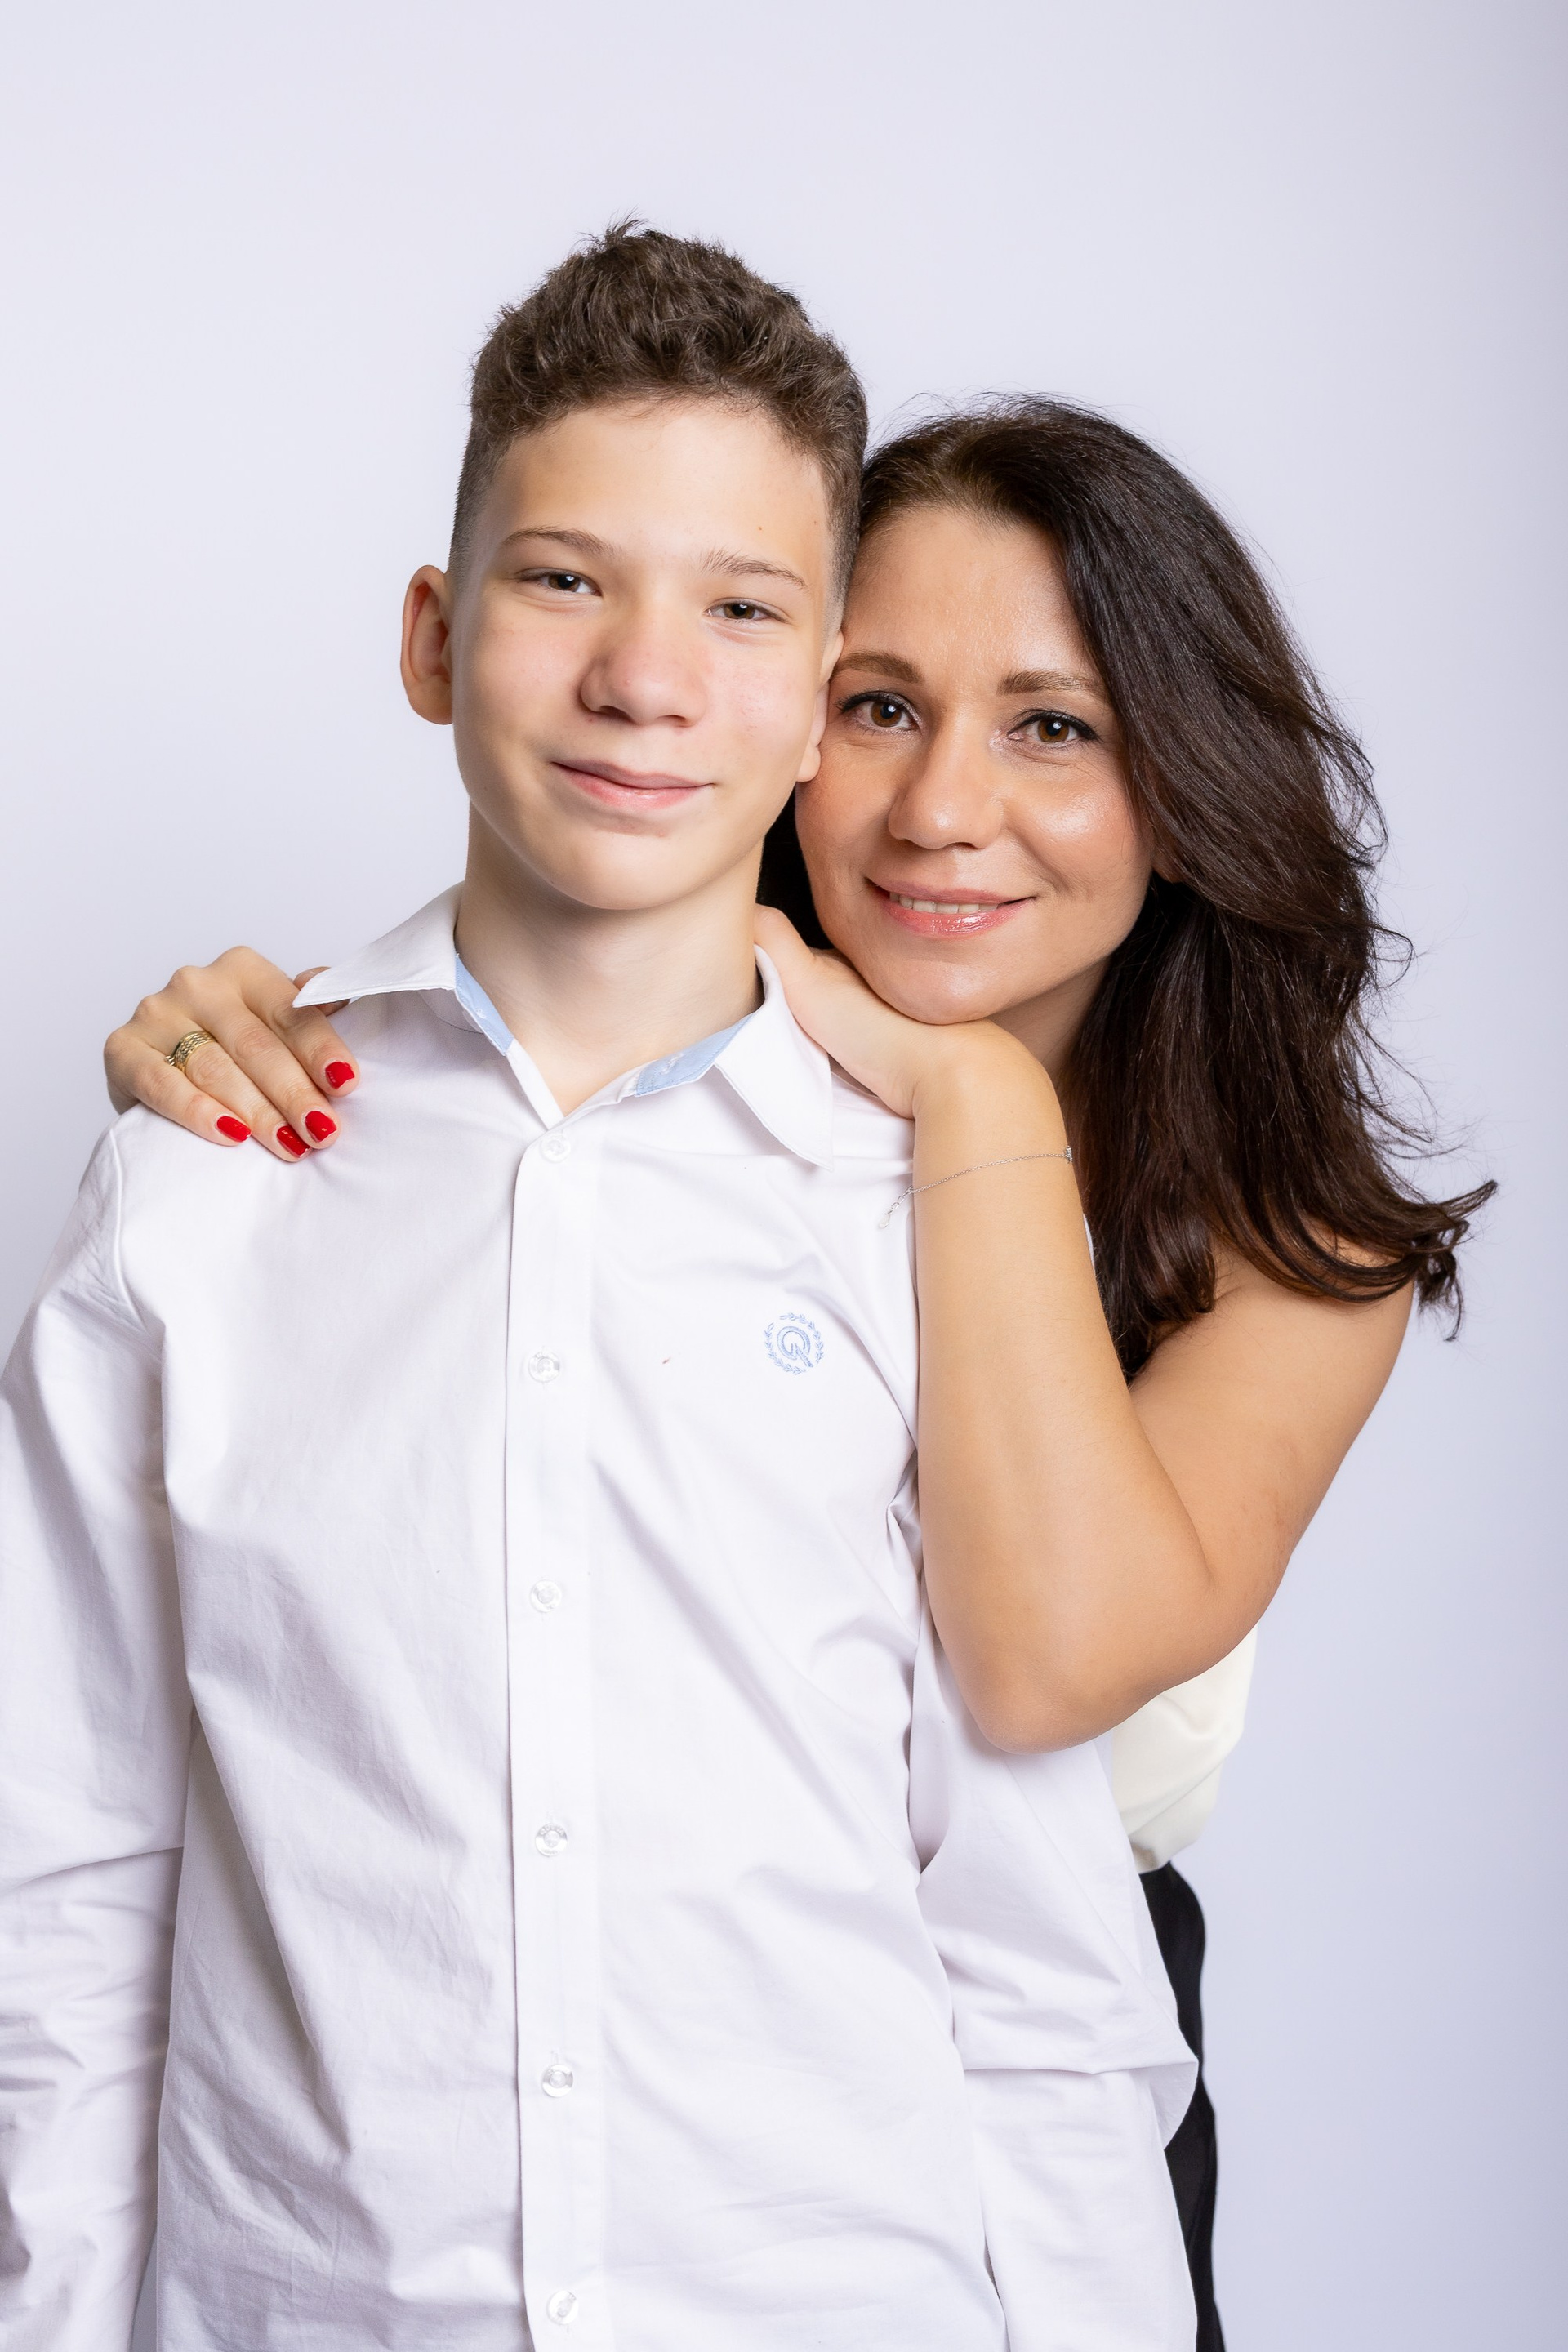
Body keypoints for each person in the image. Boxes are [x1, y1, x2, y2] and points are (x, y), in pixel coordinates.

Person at [109, 392, 1492, 2349]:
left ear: (1182, 783)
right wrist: (227, 1044)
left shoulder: (1293, 1256)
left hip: (1048, 2095)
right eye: (878, 705)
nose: (940, 808)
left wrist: (967, 1094)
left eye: (1054, 727)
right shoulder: (614, 1090)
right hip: (555, 2065)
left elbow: (1045, 1662)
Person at [0, 229, 1201, 2352]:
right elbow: (76, 1889)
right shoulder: (197, 1186)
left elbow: (1033, 1968)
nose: (648, 678)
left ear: (822, 697)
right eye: (566, 580)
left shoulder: (914, 1218)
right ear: (433, 635)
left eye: (740, 609)